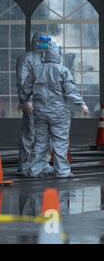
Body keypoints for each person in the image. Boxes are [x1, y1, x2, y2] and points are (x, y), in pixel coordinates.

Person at [21, 42, 89, 178]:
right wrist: (81, 104)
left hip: (40, 112)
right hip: (59, 113)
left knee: (40, 142)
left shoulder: (37, 69)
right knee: (60, 142)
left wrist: (25, 100)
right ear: (58, 54)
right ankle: (62, 171)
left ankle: (34, 170)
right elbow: (71, 91)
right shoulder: (63, 70)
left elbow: (26, 88)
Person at [15, 32, 51, 176]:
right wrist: (25, 100)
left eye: (47, 41)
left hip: (44, 102)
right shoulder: (27, 58)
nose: (45, 44)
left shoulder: (45, 59)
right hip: (31, 102)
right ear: (35, 41)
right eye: (43, 41)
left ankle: (41, 164)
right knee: (29, 133)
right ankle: (25, 164)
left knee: (43, 134)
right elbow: (22, 81)